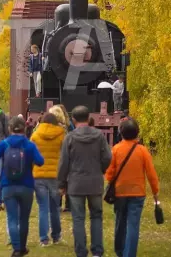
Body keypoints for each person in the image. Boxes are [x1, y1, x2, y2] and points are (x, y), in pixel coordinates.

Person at [58, 105, 112, 257]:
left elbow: (64, 163)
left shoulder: (69, 138)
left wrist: (61, 184)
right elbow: (108, 157)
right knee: (96, 216)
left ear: (73, 120)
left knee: (78, 218)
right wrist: (100, 170)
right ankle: (97, 251)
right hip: (95, 182)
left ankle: (81, 252)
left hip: (75, 184)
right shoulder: (99, 136)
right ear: (89, 118)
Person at [0, 116, 45, 257]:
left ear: (10, 129)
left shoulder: (4, 144)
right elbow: (40, 161)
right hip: (27, 187)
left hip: (8, 187)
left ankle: (17, 249)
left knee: (12, 218)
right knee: (24, 219)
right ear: (24, 128)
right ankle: (23, 247)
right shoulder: (29, 145)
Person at [105, 117, 159, 257]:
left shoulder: (116, 149)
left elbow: (109, 173)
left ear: (121, 133)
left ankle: (120, 251)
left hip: (120, 192)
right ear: (137, 133)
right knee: (133, 225)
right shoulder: (143, 151)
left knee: (120, 223)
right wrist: (155, 192)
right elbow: (151, 174)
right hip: (137, 193)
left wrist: (111, 181)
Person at [31, 112, 66, 247]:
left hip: (38, 175)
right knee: (55, 208)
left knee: (43, 208)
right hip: (55, 176)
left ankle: (43, 239)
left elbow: (31, 156)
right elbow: (65, 157)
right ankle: (56, 236)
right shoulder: (62, 135)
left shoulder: (35, 135)